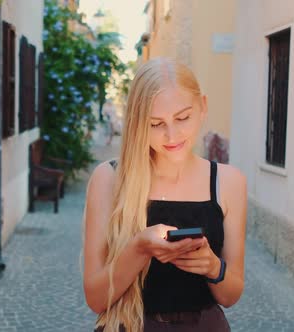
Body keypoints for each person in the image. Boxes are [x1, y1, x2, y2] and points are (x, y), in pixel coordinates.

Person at [82, 58, 247, 332]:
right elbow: (96, 299)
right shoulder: (109, 179)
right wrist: (139, 248)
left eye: (182, 118)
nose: (172, 135)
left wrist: (212, 266)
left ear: (203, 107)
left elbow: (230, 296)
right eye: (155, 124)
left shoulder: (229, 182)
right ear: (137, 123)